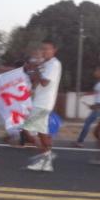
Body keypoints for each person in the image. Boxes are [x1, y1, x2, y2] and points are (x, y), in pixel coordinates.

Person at [24, 40, 62, 172]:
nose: (44, 51)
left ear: (54, 50)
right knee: (40, 131)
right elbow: (37, 81)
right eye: (43, 49)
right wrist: (34, 70)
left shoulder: (54, 64)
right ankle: (46, 159)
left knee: (30, 130)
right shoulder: (46, 64)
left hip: (44, 103)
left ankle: (47, 157)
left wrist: (36, 69)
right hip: (40, 101)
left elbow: (45, 82)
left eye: (47, 49)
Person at [75, 66, 100, 147]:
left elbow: (97, 93)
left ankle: (80, 142)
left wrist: (83, 95)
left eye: (97, 71)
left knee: (88, 123)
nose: (95, 73)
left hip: (99, 106)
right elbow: (96, 93)